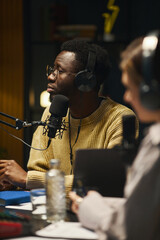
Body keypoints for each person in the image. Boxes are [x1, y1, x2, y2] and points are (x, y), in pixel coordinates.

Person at [0, 39, 138, 193]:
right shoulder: (51, 113)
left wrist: (28, 180)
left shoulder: (119, 119)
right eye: (52, 69)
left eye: (59, 70)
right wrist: (14, 182)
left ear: (85, 81)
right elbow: (37, 175)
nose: (51, 77)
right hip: (53, 209)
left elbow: (106, 181)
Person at [69, 32, 160, 239]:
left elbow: (131, 230)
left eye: (130, 87)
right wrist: (100, 203)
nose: (126, 97)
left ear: (152, 91)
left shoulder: (157, 145)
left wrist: (89, 209)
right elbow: (148, 209)